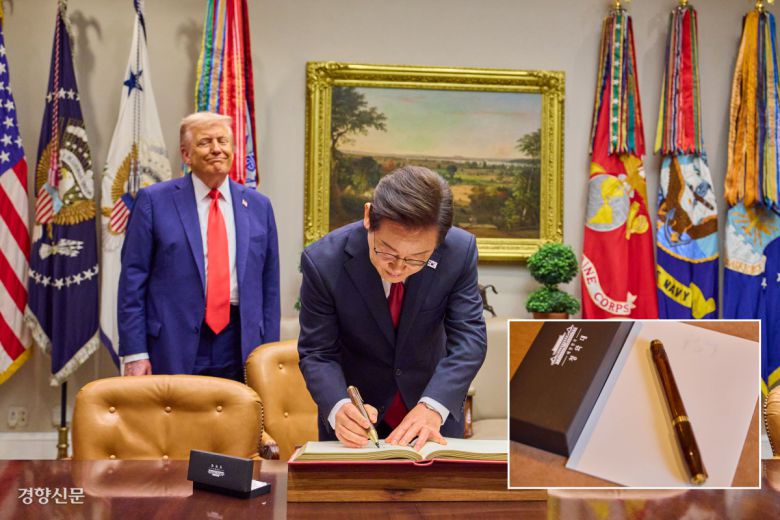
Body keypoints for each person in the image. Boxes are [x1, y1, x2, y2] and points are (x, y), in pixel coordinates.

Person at [298, 165, 486, 451]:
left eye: (417, 258)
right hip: (357, 421)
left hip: (431, 414)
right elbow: (317, 352)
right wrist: (338, 407)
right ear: (368, 216)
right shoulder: (323, 261)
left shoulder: (458, 252)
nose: (397, 268)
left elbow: (469, 339)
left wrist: (433, 406)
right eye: (386, 250)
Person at [117, 112, 280, 381]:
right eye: (205, 142)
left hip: (241, 343)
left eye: (223, 141)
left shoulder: (259, 206)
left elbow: (269, 287)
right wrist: (135, 352)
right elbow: (132, 283)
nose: (216, 149)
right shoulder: (153, 202)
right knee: (178, 411)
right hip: (172, 343)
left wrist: (270, 354)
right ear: (186, 155)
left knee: (239, 410)